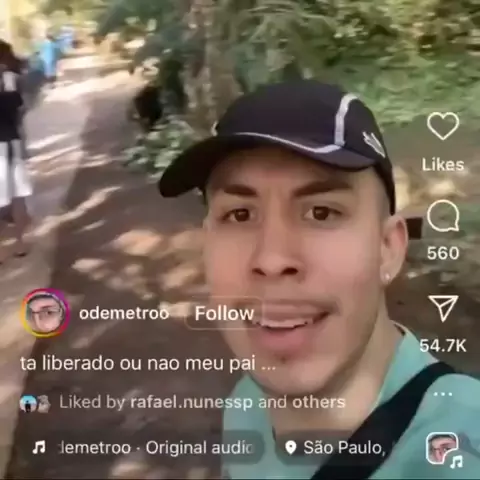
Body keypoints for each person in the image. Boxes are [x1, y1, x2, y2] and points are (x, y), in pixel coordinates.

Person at [158, 80, 480, 478]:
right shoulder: (247, 402)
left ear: (387, 248)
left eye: (322, 212)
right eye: (239, 215)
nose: (272, 260)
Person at [0, 40, 32, 263]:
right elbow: (19, 113)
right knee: (17, 196)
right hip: (12, 141)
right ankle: (19, 243)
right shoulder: (11, 79)